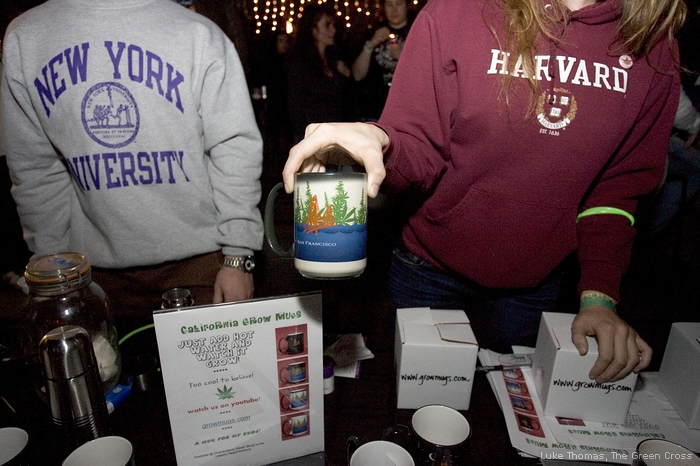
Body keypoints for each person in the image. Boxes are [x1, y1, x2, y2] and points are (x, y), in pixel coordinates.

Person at [283, 0, 686, 383]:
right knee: (416, 399)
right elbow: (421, 149)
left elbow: (617, 189)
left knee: (502, 421)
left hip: (534, 282)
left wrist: (599, 294)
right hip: (428, 268)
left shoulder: (653, 43)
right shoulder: (456, 12)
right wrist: (381, 140)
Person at [1, 0, 263, 316]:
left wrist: (238, 258)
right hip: (90, 278)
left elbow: (234, 149)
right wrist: (54, 272)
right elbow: (34, 167)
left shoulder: (198, 34)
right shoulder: (27, 38)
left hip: (201, 267)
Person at [286, 3, 353, 144]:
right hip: (314, 140)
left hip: (338, 138)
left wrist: (347, 77)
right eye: (327, 25)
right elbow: (296, 108)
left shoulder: (334, 60)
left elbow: (346, 101)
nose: (333, 30)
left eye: (333, 25)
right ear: (313, 30)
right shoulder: (300, 64)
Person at [352, 0, 413, 121]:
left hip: (408, 112)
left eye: (399, 4)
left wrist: (405, 57)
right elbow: (357, 75)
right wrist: (370, 44)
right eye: (389, 5)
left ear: (407, 6)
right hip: (377, 112)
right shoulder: (374, 32)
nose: (394, 10)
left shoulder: (417, 32)